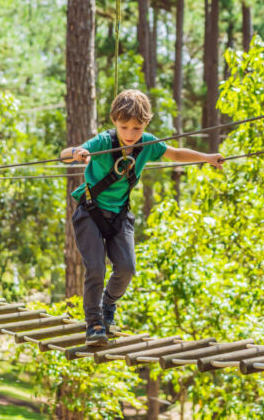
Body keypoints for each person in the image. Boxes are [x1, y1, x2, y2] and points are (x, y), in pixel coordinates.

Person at [61, 89, 223, 345]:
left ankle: (108, 305)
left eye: (136, 128)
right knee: (95, 267)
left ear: (145, 124)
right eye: (124, 127)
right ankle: (93, 322)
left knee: (127, 268)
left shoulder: (147, 144)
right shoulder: (103, 142)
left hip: (119, 215)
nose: (129, 134)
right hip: (90, 212)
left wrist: (206, 158)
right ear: (115, 122)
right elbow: (66, 154)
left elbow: (175, 153)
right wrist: (79, 153)